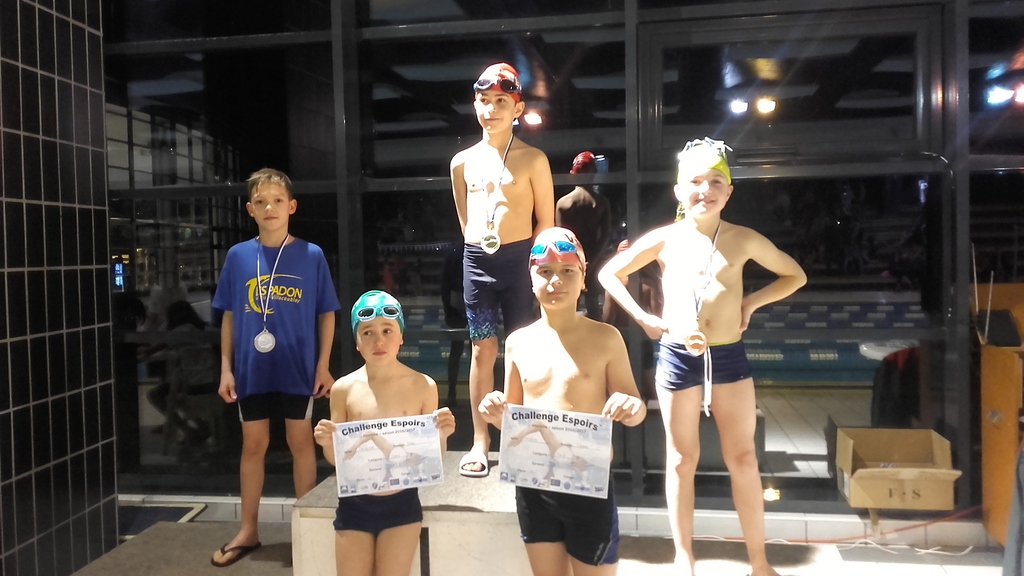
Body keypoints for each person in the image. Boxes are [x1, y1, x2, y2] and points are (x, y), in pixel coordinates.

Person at [598, 138, 806, 576]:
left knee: (743, 459)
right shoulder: (666, 239)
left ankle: (759, 562)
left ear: (729, 192)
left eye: (715, 182)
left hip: (728, 357)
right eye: (695, 182)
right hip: (678, 357)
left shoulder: (742, 239)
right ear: (678, 190)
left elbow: (794, 275)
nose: (705, 190)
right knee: (681, 460)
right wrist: (642, 317)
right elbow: (609, 274)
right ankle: (684, 558)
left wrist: (750, 303)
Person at [479, 227, 646, 576]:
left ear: (583, 278)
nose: (556, 281)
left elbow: (636, 408)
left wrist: (631, 408)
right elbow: (512, 421)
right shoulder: (518, 342)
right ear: (531, 280)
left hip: (589, 484)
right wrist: (495, 413)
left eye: (567, 270)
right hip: (534, 485)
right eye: (545, 271)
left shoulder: (606, 338)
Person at [210, 168, 341, 568]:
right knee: (253, 446)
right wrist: (226, 369)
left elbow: (327, 313)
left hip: (298, 369)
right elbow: (229, 315)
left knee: (301, 444)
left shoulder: (312, 255)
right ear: (250, 209)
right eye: (261, 202)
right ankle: (248, 530)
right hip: (251, 370)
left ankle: (306, 532)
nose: (270, 208)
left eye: (278, 201)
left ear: (292, 207)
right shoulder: (238, 256)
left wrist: (323, 366)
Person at [450, 62, 555, 477]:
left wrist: (537, 269)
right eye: (484, 101)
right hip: (477, 260)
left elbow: (546, 222)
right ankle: (480, 440)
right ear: (474, 104)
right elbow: (465, 221)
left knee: (523, 349)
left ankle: (521, 438)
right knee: (482, 348)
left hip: (520, 262)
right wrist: (480, 244)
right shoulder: (461, 163)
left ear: (517, 108)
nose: (491, 109)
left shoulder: (534, 159)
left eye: (500, 101)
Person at [313, 290, 456, 576]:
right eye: (367, 332)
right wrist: (328, 444)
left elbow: (431, 457)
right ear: (357, 342)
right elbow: (338, 460)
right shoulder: (343, 389)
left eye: (387, 330)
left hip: (402, 505)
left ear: (401, 336)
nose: (378, 341)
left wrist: (442, 436)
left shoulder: (423, 386)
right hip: (354, 504)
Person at [555, 151, 612, 320]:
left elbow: (561, 237)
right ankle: (595, 333)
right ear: (593, 173)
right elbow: (605, 235)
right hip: (594, 255)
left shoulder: (564, 203)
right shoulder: (600, 202)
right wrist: (591, 261)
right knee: (593, 301)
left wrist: (575, 259)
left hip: (571, 257)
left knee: (570, 298)